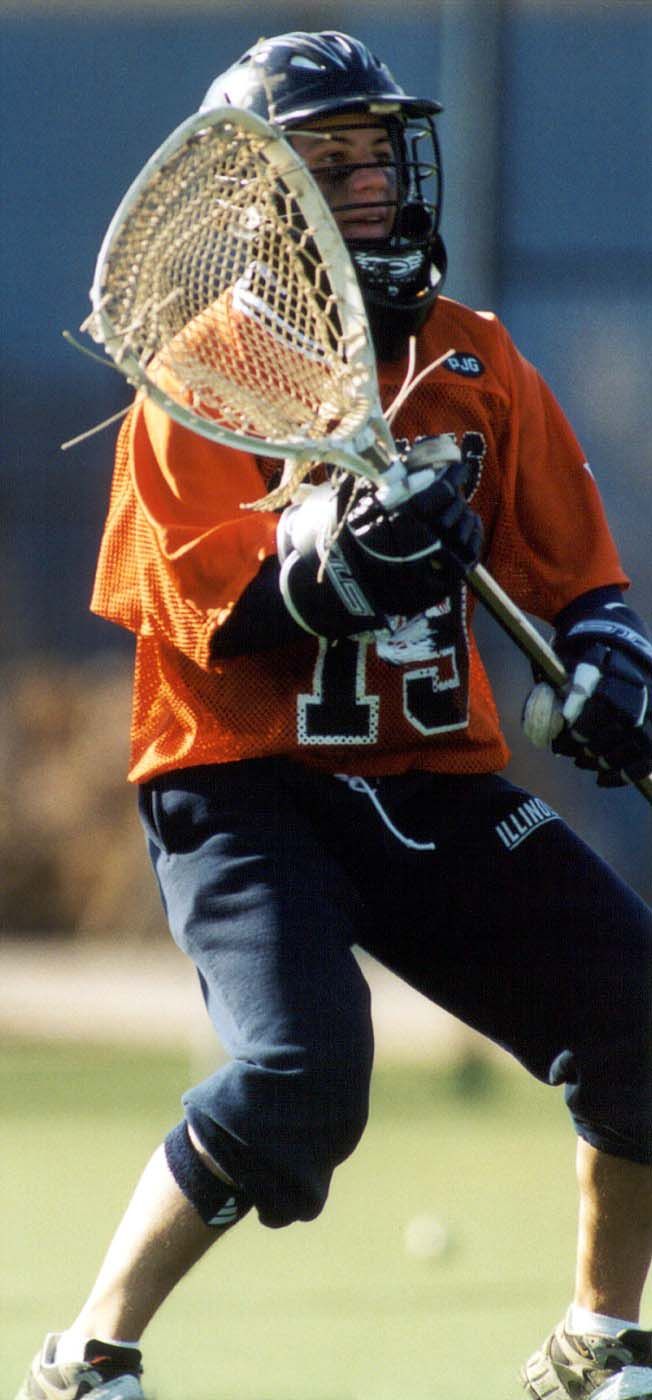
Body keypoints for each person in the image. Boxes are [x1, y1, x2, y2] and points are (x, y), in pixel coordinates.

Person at [16, 30, 652, 1400]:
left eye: (377, 156)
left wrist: (608, 666)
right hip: (249, 788)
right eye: (328, 163)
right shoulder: (202, 374)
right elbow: (210, 605)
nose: (367, 183)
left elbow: (577, 578)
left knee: (644, 1021)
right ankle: (90, 1353)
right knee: (300, 1074)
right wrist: (341, 555)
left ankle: (601, 1341)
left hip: (428, 779)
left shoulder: (473, 357)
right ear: (263, 203)